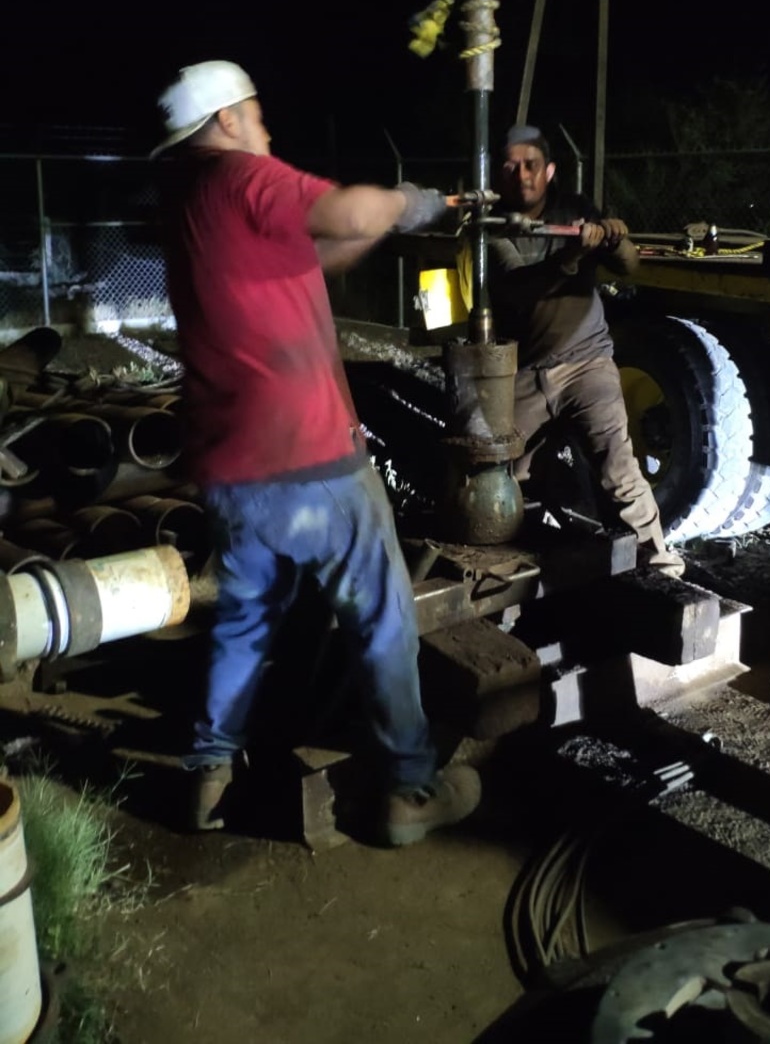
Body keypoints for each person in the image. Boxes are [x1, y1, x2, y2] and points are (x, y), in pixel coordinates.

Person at [153, 59, 481, 843]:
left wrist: (372, 227)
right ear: (228, 118)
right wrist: (415, 203)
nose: (267, 130)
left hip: (231, 470)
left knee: (244, 622)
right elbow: (346, 210)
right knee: (382, 615)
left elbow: (312, 253)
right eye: (258, 114)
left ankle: (208, 777)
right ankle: (410, 788)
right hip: (309, 457)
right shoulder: (245, 176)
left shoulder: (189, 204)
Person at [489, 125, 685, 576]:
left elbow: (629, 265)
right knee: (500, 475)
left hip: (586, 363)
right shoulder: (492, 227)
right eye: (511, 167)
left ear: (549, 171)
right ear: (499, 174)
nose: (522, 175)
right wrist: (572, 256)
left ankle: (657, 566)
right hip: (523, 372)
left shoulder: (575, 210)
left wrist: (616, 240)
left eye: (531, 165)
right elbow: (519, 289)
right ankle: (513, 560)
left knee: (618, 468)